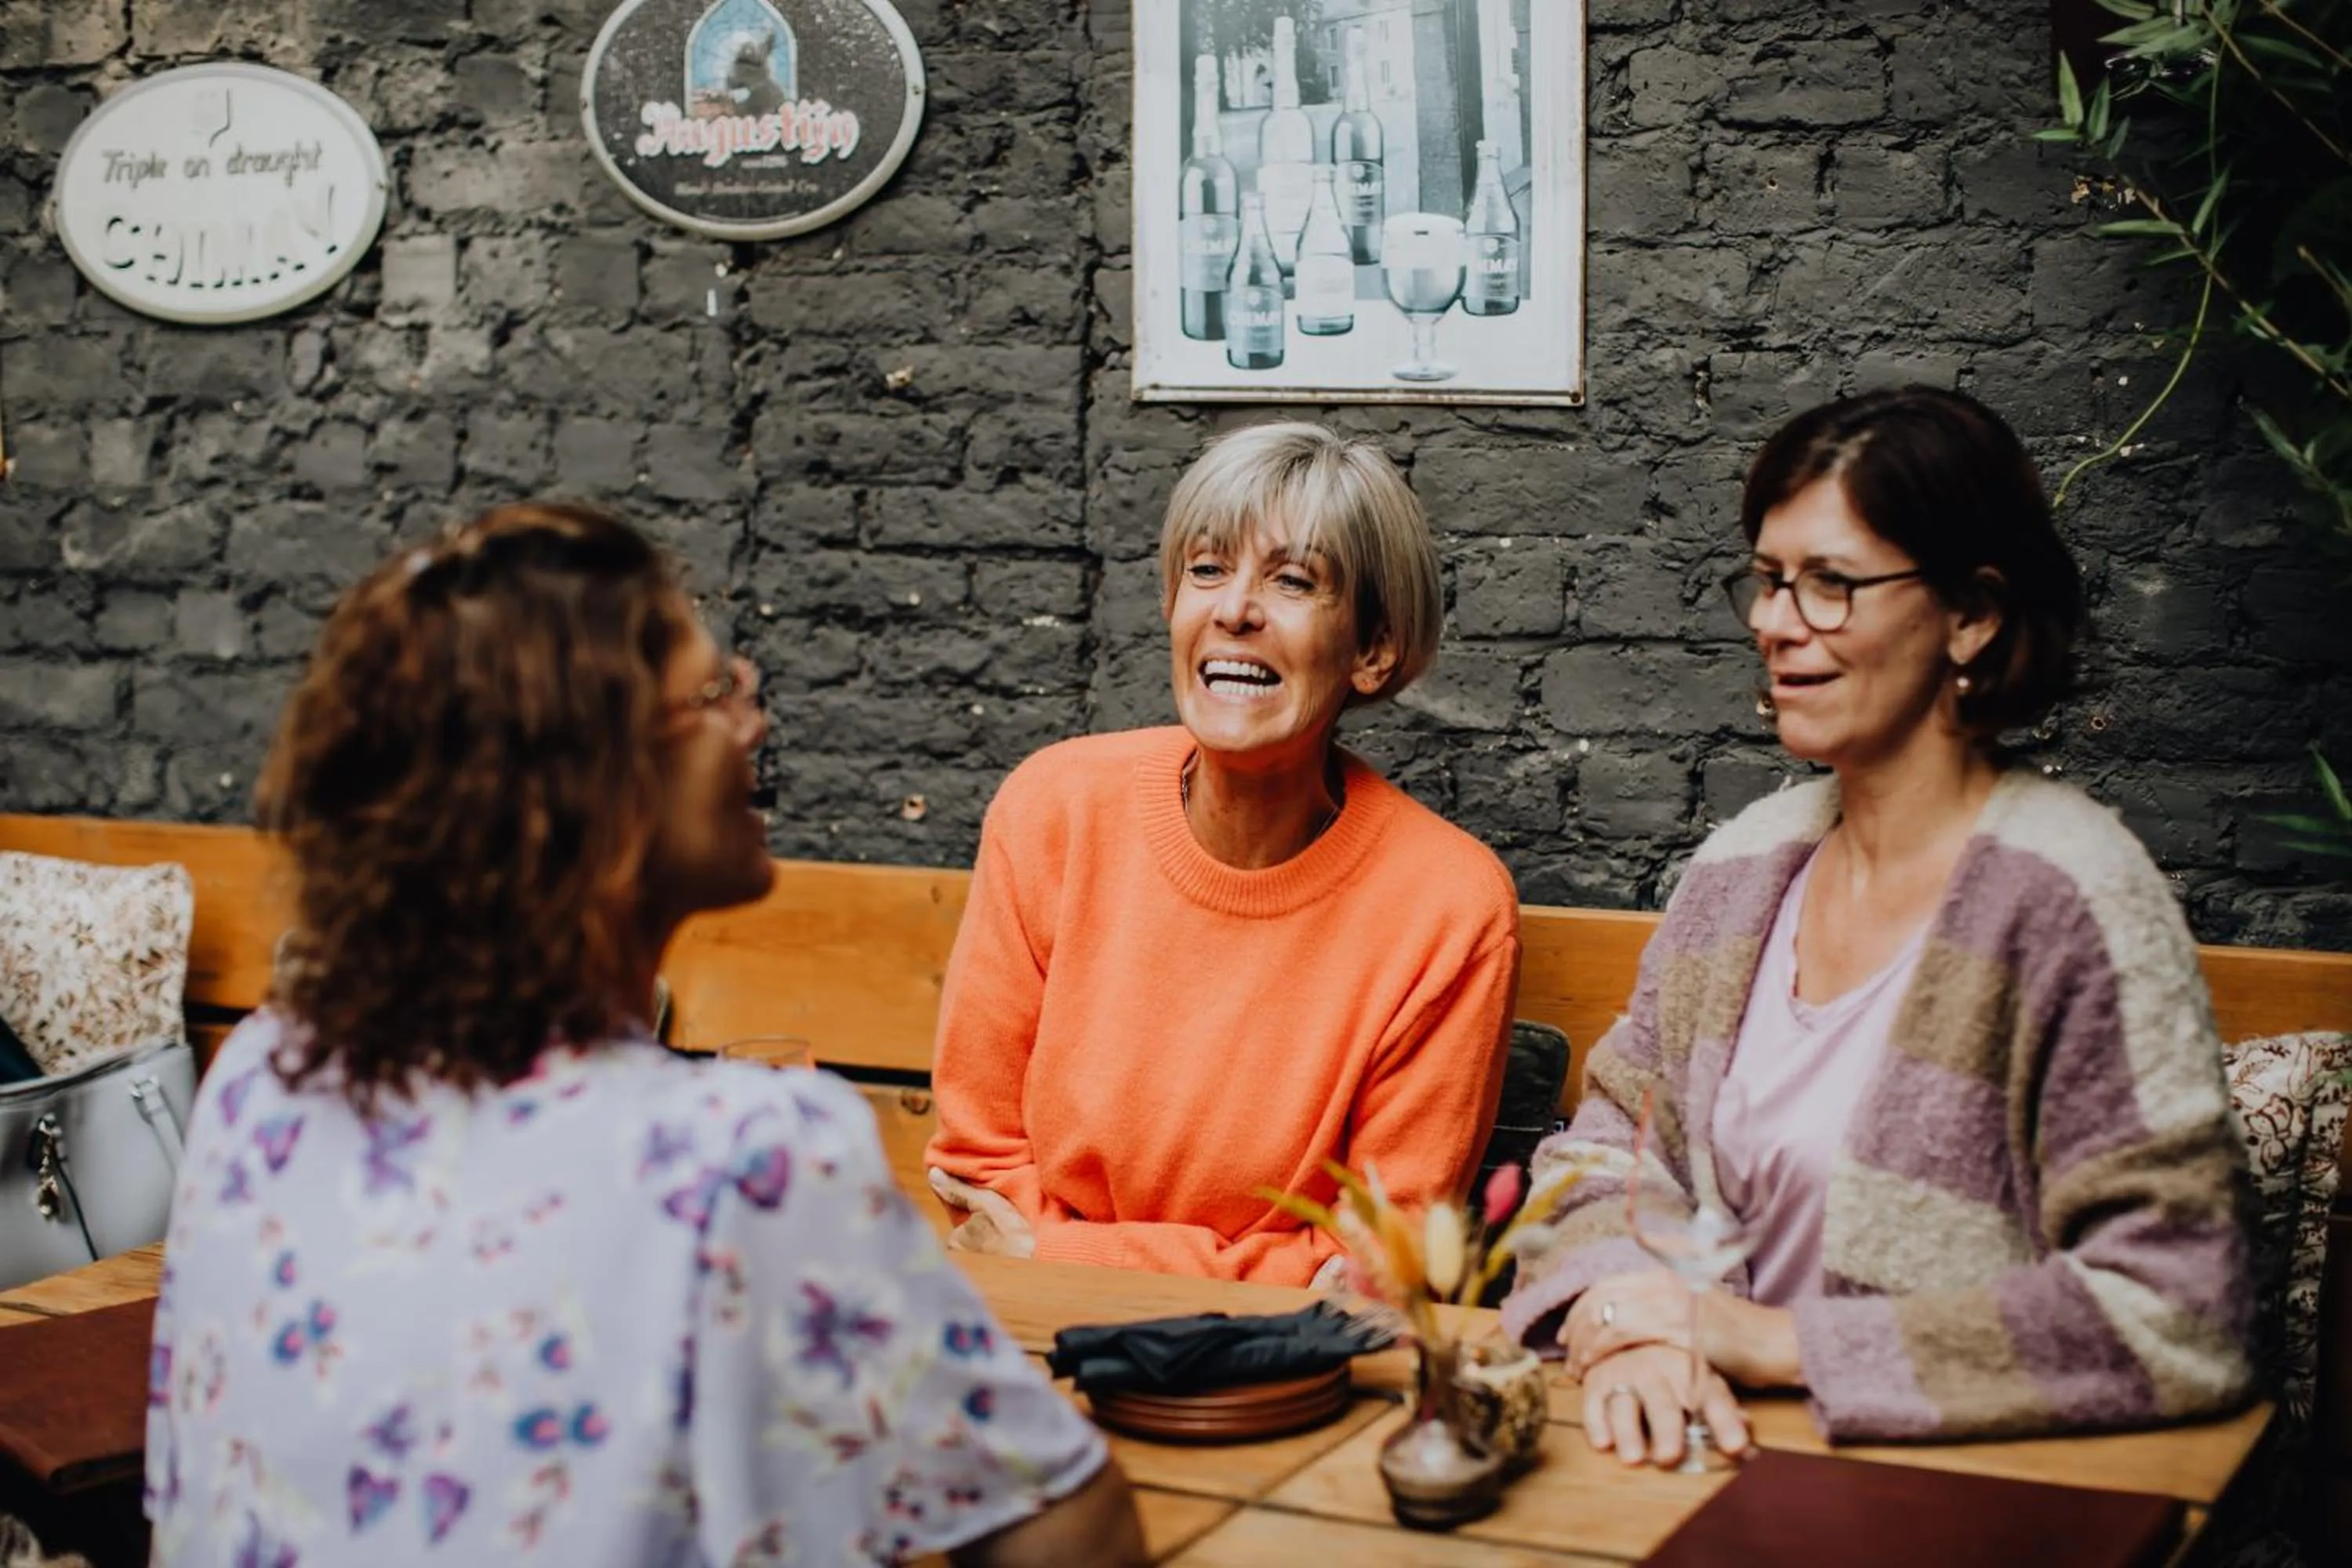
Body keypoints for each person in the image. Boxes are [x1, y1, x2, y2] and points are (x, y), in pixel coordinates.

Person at [145, 503, 1144, 1567]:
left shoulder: (263, 1078)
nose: (754, 721)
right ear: (595, 784)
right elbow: (1072, 1533)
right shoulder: (739, 1156)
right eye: (714, 694)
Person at [1503, 388, 2256, 1462]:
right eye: (1767, 582)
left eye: (1830, 585)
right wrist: (1627, 1325)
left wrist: (1766, 1341)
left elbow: (2179, 1308)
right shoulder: (1744, 870)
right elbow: (1606, 1158)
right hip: (1691, 1468)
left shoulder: (2069, 899)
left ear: (1972, 614)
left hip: (1960, 1496)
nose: (1774, 621)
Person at [924, 422, 1519, 1286]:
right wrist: (1257, 1263)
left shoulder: (1449, 907)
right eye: (1206, 569)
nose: (1234, 609)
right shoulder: (1052, 810)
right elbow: (975, 1171)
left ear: (1372, 650)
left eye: (1292, 579)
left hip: (1282, 1372)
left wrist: (1066, 1247)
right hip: (1037, 1333)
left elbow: (1377, 1260)